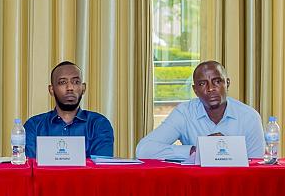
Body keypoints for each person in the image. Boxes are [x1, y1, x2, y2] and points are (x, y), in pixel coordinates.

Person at [136, 60, 265, 160]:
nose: (210, 88)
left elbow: (257, 165)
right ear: (195, 90)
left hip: (236, 183)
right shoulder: (184, 113)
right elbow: (144, 150)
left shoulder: (249, 117)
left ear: (227, 84)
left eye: (217, 81)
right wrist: (196, 150)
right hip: (195, 184)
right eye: (202, 84)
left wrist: (226, 151)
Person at [24, 61, 114, 158]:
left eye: (76, 82)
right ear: (51, 90)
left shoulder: (98, 124)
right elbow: (28, 165)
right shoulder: (34, 126)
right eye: (63, 82)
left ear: (83, 88)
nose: (70, 87)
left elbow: (101, 165)